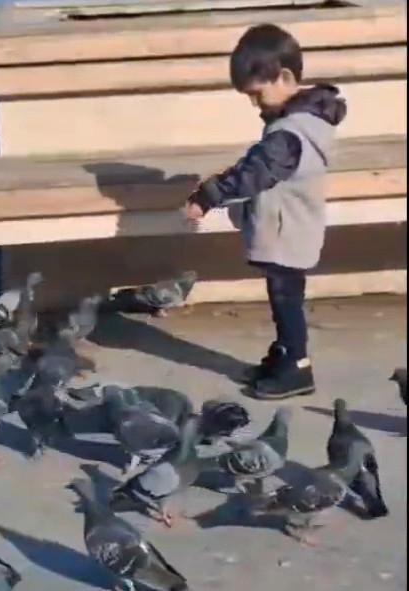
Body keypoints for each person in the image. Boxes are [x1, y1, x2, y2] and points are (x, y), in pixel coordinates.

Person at [185, 24, 346, 400]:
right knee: (283, 298)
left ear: (285, 78)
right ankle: (284, 354)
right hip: (289, 232)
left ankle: (297, 366)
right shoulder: (300, 125)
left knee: (286, 302)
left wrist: (207, 197)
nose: (255, 104)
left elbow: (252, 173)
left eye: (257, 94)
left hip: (287, 234)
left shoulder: (289, 135)